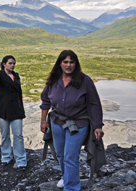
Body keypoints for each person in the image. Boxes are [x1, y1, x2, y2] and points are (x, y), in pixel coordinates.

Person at [40, 50, 104, 191]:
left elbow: (94, 103)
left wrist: (98, 126)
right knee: (60, 154)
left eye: (71, 62)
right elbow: (45, 100)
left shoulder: (84, 80)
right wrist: (43, 121)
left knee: (70, 156)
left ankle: (72, 188)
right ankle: (66, 177)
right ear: (60, 63)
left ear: (76, 64)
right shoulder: (53, 80)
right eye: (65, 62)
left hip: (78, 123)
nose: (68, 65)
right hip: (57, 121)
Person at [0, 55, 27, 170]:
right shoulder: (0, 75)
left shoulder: (16, 76)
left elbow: (18, 94)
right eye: (10, 63)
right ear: (4, 64)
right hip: (2, 109)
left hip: (16, 109)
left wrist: (21, 108)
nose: (13, 65)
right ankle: (6, 157)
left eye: (14, 63)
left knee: (18, 135)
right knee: (5, 135)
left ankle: (21, 160)